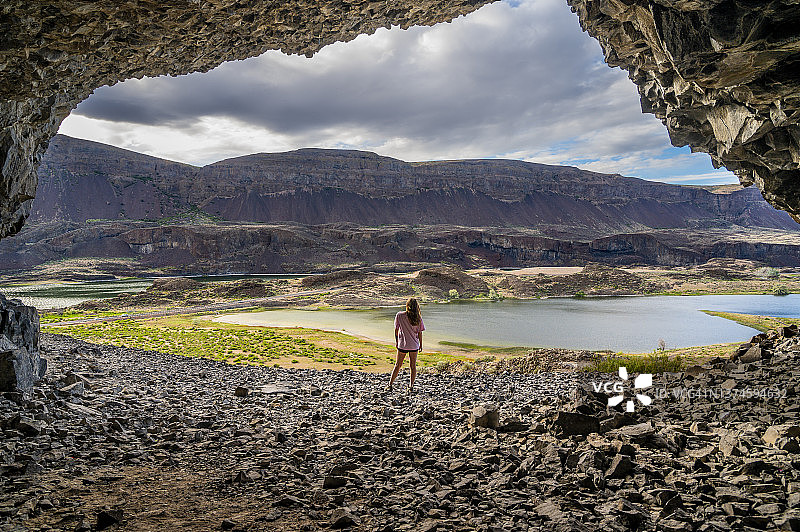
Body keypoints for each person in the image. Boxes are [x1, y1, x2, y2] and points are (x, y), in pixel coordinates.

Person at [388, 297, 425, 394]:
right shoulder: (418, 318)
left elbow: (396, 329)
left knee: (397, 365)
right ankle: (411, 386)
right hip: (414, 345)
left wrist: (397, 341)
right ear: (416, 306)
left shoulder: (399, 315)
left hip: (402, 345)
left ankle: (390, 385)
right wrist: (421, 345)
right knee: (413, 366)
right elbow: (420, 333)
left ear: (407, 305)